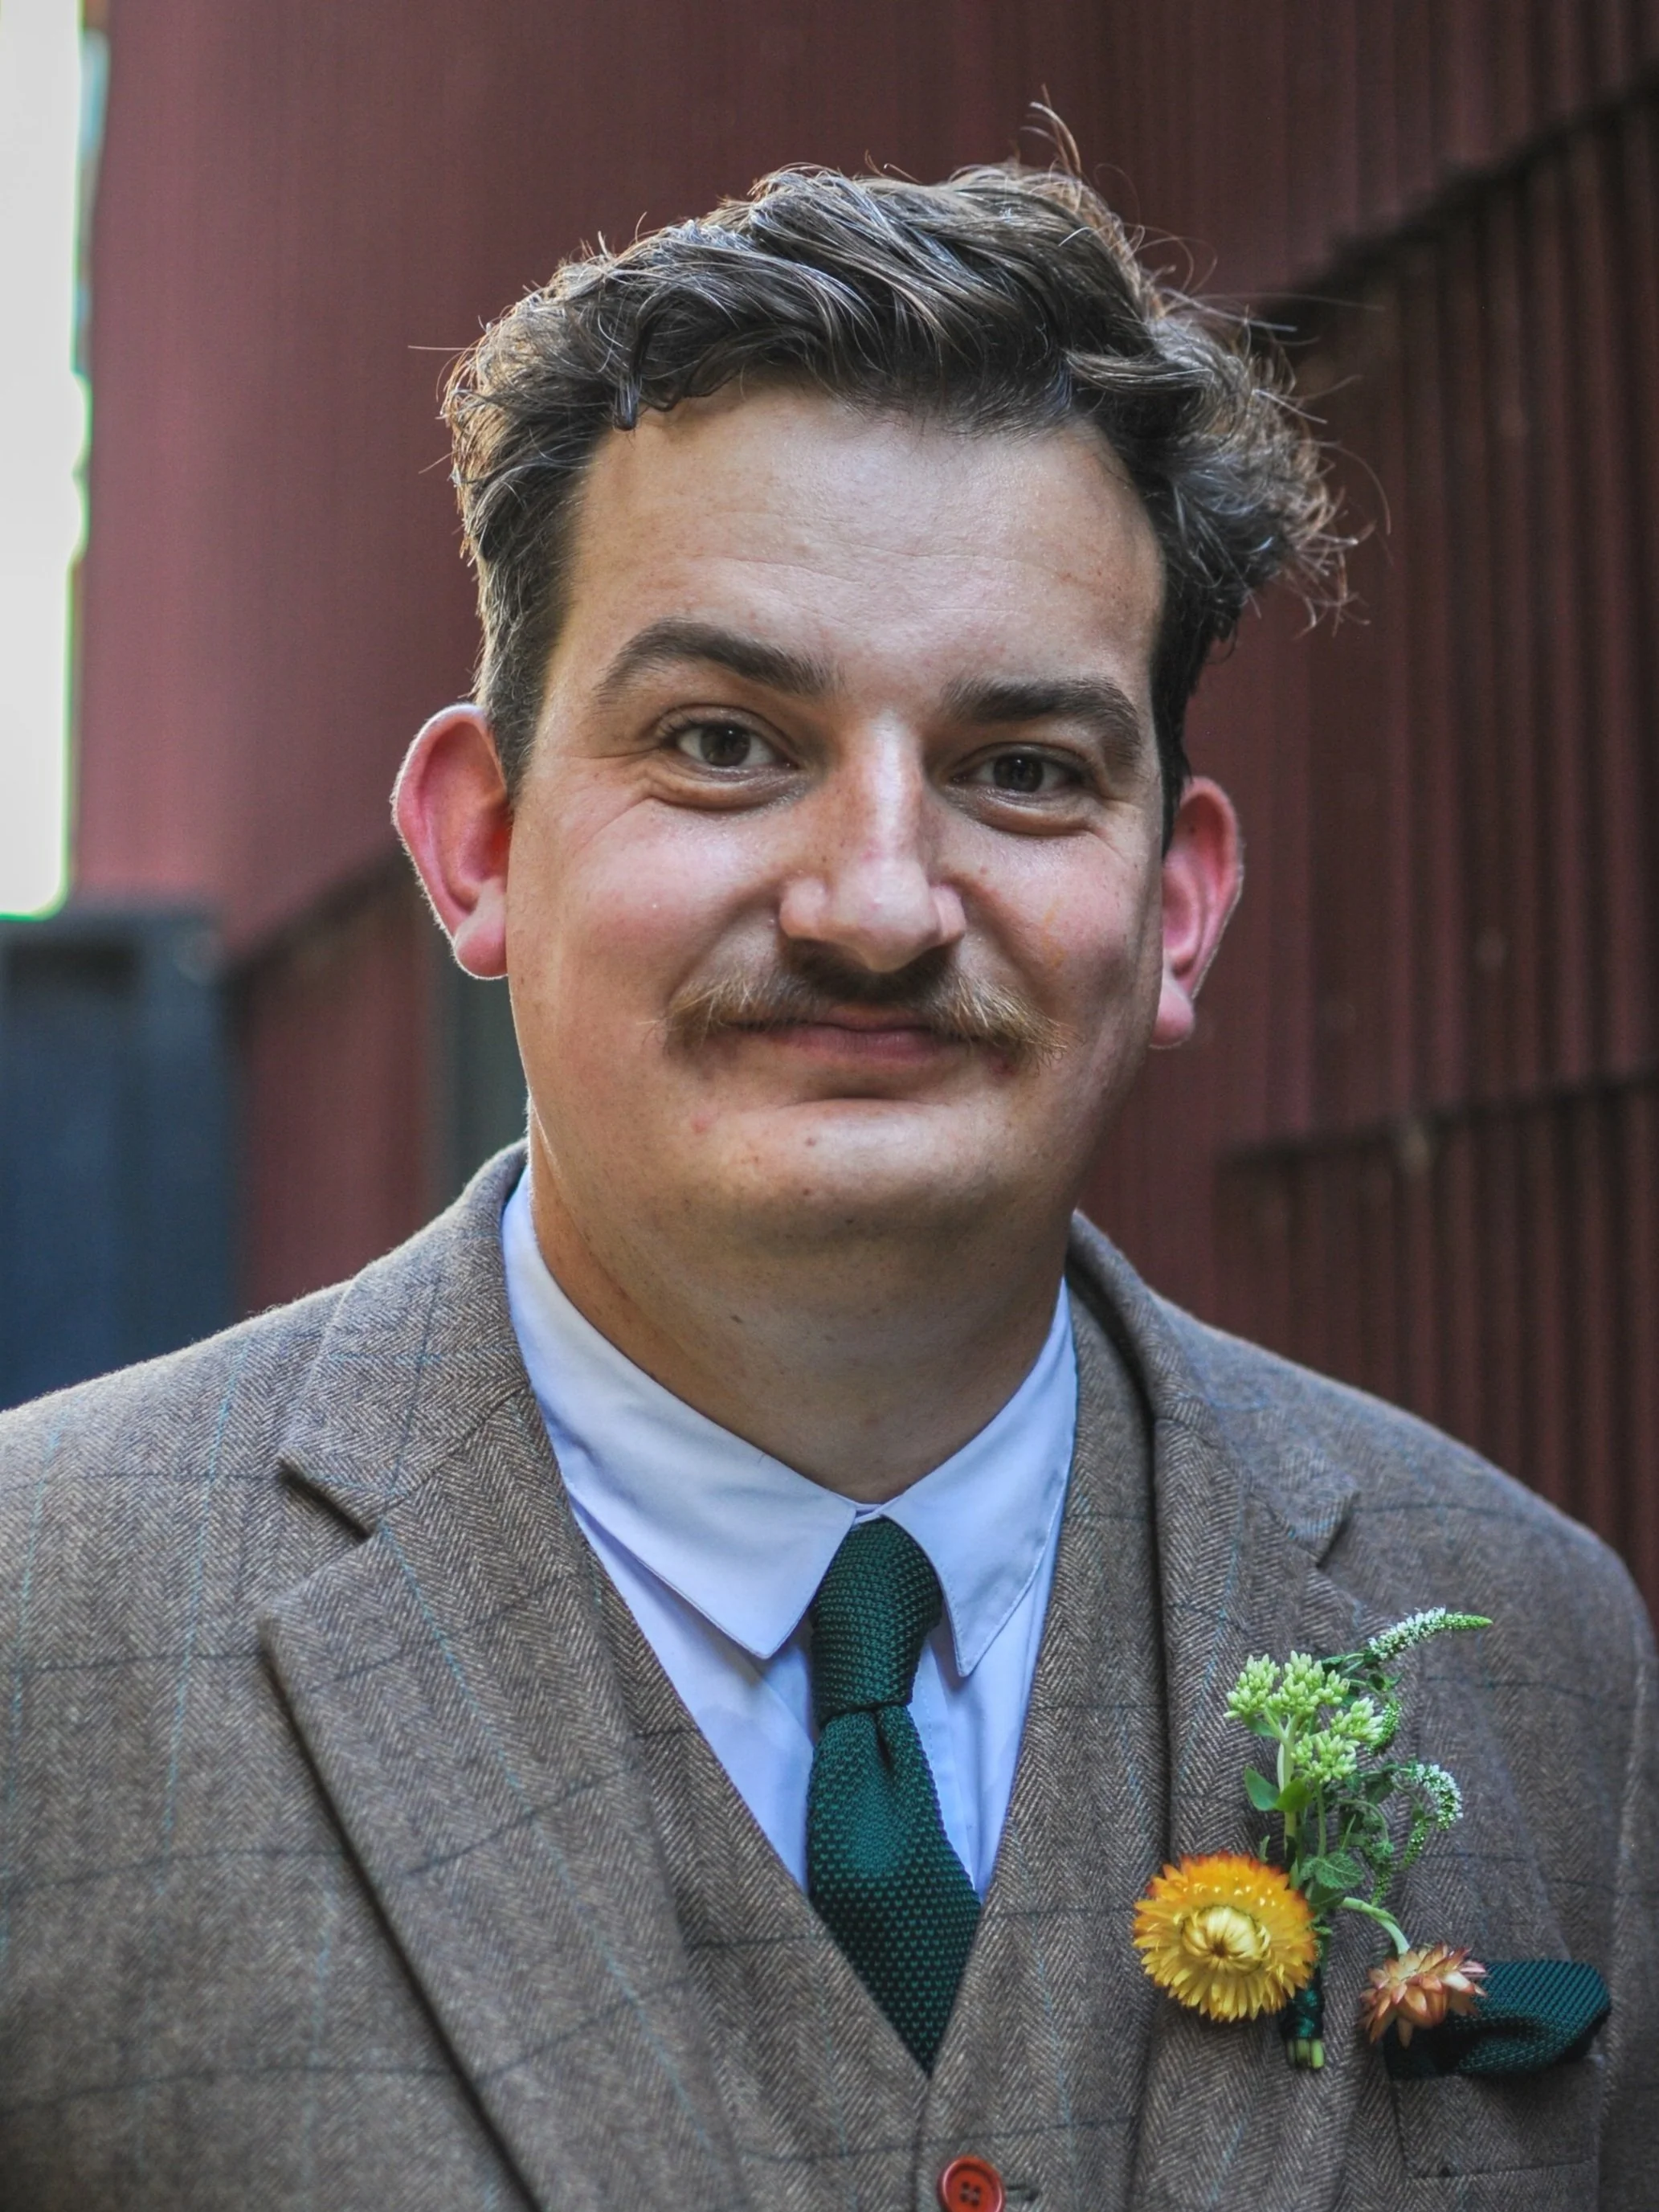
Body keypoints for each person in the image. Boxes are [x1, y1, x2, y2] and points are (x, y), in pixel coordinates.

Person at [1, 155, 1653, 2212]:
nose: (877, 902)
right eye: (722, 740)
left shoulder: (1547, 1653)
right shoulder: (33, 1630)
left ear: (1180, 906)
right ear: (479, 844)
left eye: (1025, 768)